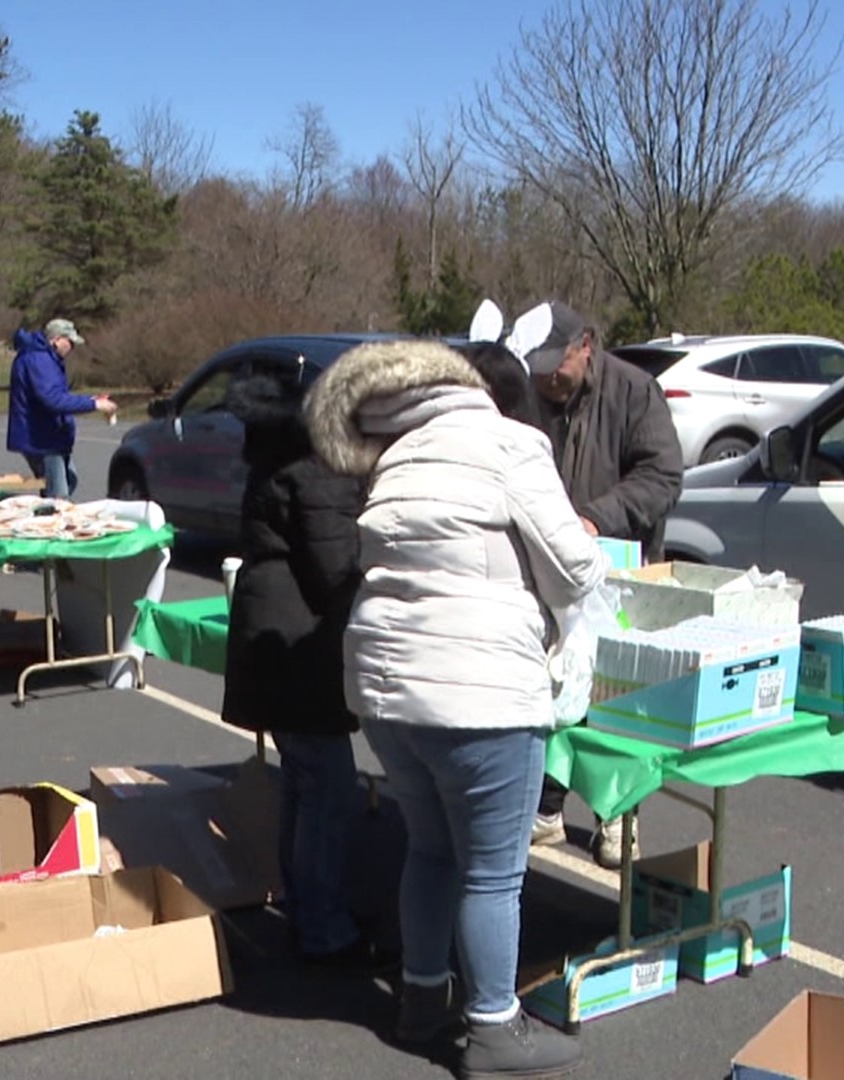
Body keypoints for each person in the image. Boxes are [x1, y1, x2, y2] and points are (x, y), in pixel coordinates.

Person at [307, 339, 605, 1080]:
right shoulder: (510, 444)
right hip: (478, 689)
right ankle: (495, 1025)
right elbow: (575, 567)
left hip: (387, 688)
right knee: (494, 873)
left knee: (432, 849)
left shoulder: (400, 453)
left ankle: (420, 997)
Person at [219, 364, 381, 971]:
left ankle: (309, 906)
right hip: (300, 645)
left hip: (275, 636)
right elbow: (337, 570)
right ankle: (323, 925)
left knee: (306, 784)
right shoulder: (318, 470)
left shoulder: (277, 457)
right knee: (327, 790)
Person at [519, 300, 684, 869]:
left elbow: (663, 476)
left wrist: (595, 519)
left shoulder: (636, 394)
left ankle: (619, 818)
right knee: (553, 692)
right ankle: (545, 805)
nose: (547, 379)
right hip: (549, 574)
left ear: (585, 346)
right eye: (537, 369)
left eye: (556, 365)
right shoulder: (528, 396)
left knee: (615, 704)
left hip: (619, 572)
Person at [6, 318, 117, 498]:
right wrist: (94, 405)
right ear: (56, 339)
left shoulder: (47, 358)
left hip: (51, 436)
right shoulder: (39, 359)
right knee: (58, 495)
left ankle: (45, 512)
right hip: (41, 439)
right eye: (69, 341)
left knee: (68, 481)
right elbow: (52, 400)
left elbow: (57, 394)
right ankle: (49, 518)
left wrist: (91, 399)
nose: (72, 346)